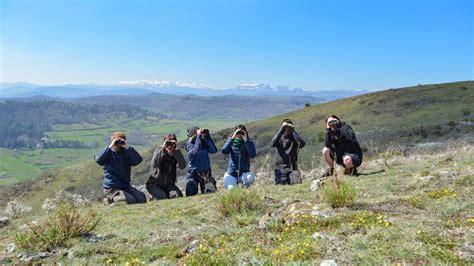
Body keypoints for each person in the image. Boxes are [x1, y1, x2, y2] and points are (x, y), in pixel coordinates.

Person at [94, 132, 146, 205]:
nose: (118, 144)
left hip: (125, 186)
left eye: (121, 141)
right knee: (130, 200)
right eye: (116, 142)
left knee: (141, 198)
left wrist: (128, 148)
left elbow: (138, 160)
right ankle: (108, 200)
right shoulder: (108, 154)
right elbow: (98, 159)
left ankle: (116, 199)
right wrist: (110, 146)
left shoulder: (126, 153)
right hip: (112, 189)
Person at [146, 133, 186, 200]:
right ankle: (155, 197)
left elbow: (182, 166)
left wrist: (176, 152)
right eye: (168, 143)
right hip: (155, 184)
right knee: (163, 197)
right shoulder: (159, 151)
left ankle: (159, 195)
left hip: (169, 185)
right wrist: (163, 149)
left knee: (178, 196)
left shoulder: (176, 153)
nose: (170, 146)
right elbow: (154, 164)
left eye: (172, 143)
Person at [270, 119, 306, 185]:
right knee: (281, 186)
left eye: (288, 126)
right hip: (281, 168)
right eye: (285, 127)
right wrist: (281, 129)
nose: (287, 128)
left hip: (293, 167)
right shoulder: (279, 138)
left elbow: (302, 144)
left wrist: (293, 130)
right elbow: (272, 144)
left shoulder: (294, 137)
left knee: (296, 185)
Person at [184, 126, 218, 196]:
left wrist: (208, 137)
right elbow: (195, 152)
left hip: (205, 173)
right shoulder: (189, 144)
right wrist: (199, 137)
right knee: (191, 189)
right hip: (194, 173)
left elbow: (213, 150)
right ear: (192, 134)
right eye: (197, 132)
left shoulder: (203, 142)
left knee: (210, 191)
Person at [221, 125, 257, 189]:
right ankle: (233, 184)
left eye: (241, 133)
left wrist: (246, 141)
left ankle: (244, 187)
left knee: (250, 177)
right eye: (238, 133)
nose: (239, 135)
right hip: (232, 173)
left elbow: (252, 155)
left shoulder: (249, 143)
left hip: (244, 173)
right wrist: (232, 137)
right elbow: (224, 150)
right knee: (232, 190)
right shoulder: (231, 143)